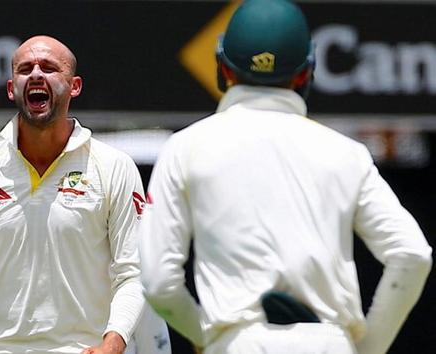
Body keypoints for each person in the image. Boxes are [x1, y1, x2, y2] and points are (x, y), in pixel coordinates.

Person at [138, 1, 432, 354]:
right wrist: (368, 348)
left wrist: (208, 338)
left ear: (223, 69)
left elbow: (158, 283)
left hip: (238, 343)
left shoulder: (185, 147)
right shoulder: (346, 153)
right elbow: (412, 255)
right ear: (305, 73)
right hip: (330, 343)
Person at [0, 35, 170, 354]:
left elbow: (134, 274)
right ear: (11, 87)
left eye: (50, 68)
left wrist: (114, 341)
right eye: (25, 68)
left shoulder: (114, 167)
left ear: (75, 86)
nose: (37, 75)